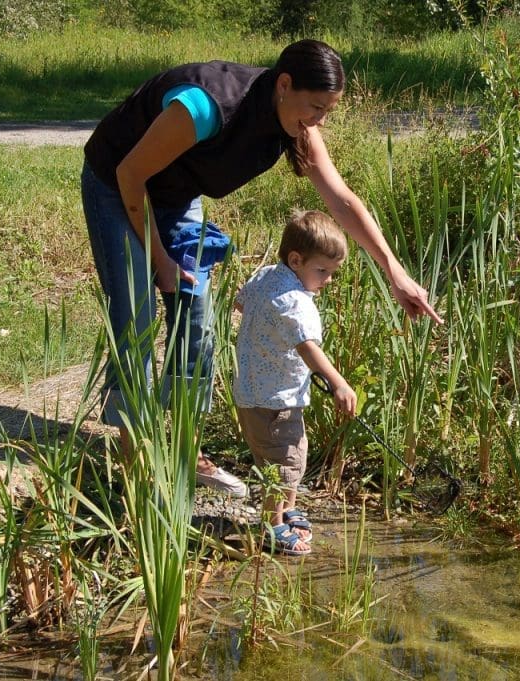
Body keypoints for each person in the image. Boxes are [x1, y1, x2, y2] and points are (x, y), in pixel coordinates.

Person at [81, 39, 442, 496]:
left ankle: (185, 454)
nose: (319, 122)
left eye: (328, 111)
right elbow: (131, 174)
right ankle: (138, 461)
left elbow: (342, 199)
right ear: (284, 85)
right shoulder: (206, 106)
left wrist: (394, 271)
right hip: (117, 187)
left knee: (195, 316)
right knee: (134, 314)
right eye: (315, 107)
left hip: (173, 195)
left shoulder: (295, 125)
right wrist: (160, 259)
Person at [234, 210, 356, 555]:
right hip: (277, 400)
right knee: (286, 463)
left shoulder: (265, 278)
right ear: (296, 259)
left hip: (249, 392)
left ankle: (285, 511)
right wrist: (338, 384)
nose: (328, 280)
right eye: (322, 271)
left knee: (277, 458)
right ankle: (272, 526)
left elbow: (240, 303)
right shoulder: (296, 303)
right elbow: (308, 349)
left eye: (332, 273)